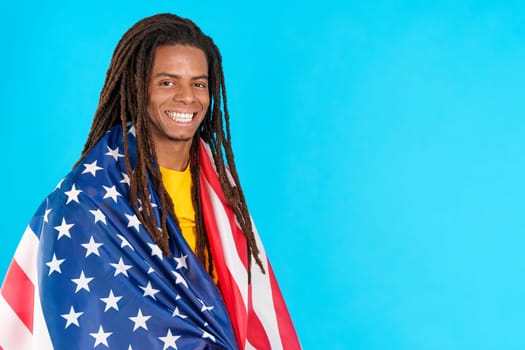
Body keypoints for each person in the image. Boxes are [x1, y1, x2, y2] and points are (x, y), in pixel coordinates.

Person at [0, 13, 300, 350]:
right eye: (168, 82)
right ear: (138, 87)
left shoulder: (218, 185)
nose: (187, 97)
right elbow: (87, 328)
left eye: (198, 83)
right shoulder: (87, 200)